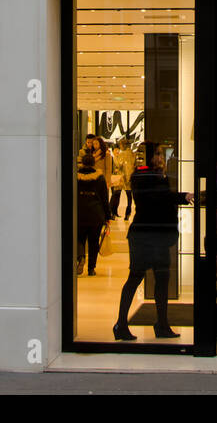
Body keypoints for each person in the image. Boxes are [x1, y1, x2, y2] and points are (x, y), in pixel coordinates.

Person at [113, 148, 193, 341]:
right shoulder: (145, 176)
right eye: (157, 154)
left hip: (152, 234)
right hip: (148, 235)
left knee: (158, 279)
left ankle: (160, 324)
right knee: (138, 277)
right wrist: (182, 196)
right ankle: (124, 324)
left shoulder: (149, 176)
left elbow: (160, 198)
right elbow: (159, 198)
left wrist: (182, 196)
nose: (161, 157)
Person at [75, 153, 112, 276]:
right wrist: (108, 217)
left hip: (79, 213)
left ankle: (80, 257)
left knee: (79, 238)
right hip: (96, 214)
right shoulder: (99, 178)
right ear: (93, 163)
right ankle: (91, 268)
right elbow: (104, 199)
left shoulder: (76, 177)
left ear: (82, 163)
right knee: (94, 242)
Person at [109, 136, 137, 220]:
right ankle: (127, 214)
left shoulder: (121, 155)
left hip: (122, 178)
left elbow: (118, 164)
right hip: (130, 177)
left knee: (116, 195)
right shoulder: (133, 154)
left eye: (120, 145)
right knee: (129, 197)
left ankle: (113, 213)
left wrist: (115, 157)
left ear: (123, 145)